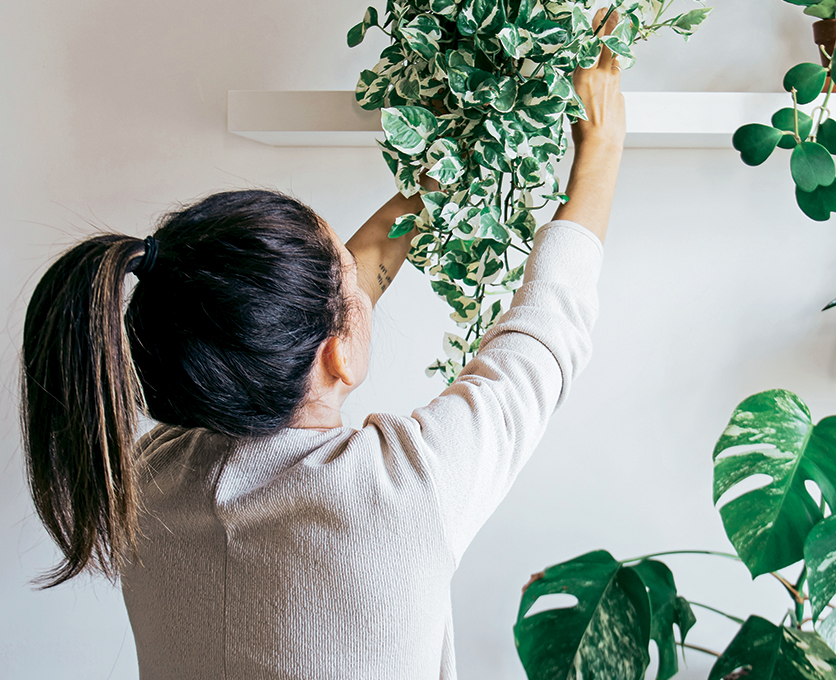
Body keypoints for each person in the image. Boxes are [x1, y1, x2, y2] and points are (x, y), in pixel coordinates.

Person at [19, 11, 624, 679]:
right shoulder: (405, 490)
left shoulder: (146, 483)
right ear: (336, 353)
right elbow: (546, 329)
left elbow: (315, 309)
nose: (362, 281)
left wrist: (439, 173)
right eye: (348, 281)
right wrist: (602, 145)